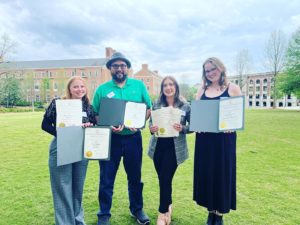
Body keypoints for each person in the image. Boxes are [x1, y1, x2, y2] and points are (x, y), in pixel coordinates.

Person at [92, 52, 152, 225]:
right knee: (106, 178)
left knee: (135, 177)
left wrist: (140, 122)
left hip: (133, 138)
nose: (119, 68)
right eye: (116, 65)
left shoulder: (138, 86)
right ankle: (104, 214)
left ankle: (137, 209)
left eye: (123, 65)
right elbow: (95, 113)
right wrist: (106, 124)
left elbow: (148, 108)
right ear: (110, 68)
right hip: (110, 140)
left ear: (127, 68)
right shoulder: (102, 89)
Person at [41, 76, 97, 225]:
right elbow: (45, 124)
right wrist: (64, 133)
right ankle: (65, 222)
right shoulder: (59, 103)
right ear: (69, 89)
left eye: (82, 86)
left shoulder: (88, 106)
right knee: (62, 187)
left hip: (81, 149)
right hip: (61, 147)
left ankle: (78, 220)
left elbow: (94, 125)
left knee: (77, 188)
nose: (80, 89)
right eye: (76, 87)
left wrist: (89, 127)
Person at [193, 57, 242, 225]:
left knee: (221, 174)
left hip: (223, 141)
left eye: (213, 69)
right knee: (207, 174)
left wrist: (233, 125)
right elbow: (197, 114)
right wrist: (197, 124)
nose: (210, 73)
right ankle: (211, 212)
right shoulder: (201, 90)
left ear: (221, 68)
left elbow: (238, 114)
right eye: (207, 71)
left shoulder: (232, 88)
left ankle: (219, 214)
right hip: (205, 141)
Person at [148, 76, 192, 225]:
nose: (168, 87)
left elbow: (193, 126)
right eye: (165, 85)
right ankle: (168, 205)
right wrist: (151, 128)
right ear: (162, 88)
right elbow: (151, 124)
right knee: (163, 179)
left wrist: (183, 128)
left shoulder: (185, 105)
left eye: (171, 84)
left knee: (165, 178)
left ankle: (162, 214)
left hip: (174, 149)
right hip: (158, 147)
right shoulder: (156, 103)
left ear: (176, 86)